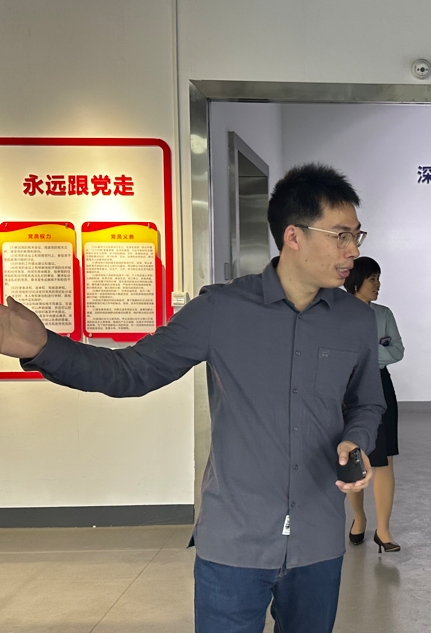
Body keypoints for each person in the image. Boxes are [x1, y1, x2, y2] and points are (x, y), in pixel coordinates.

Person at [0, 163, 386, 633]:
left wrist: (357, 438)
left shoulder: (355, 320)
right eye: (341, 235)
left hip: (318, 541)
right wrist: (44, 347)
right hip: (234, 544)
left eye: (356, 236)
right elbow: (131, 372)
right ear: (294, 236)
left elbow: (367, 402)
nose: (353, 250)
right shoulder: (220, 310)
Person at [343, 256, 405, 553]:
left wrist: (365, 354)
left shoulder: (383, 313)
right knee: (352, 456)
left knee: (384, 458)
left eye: (378, 279)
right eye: (372, 279)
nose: (378, 285)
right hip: (345, 387)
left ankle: (383, 530)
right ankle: (359, 518)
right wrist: (376, 349)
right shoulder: (336, 311)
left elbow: (397, 351)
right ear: (356, 281)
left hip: (380, 385)